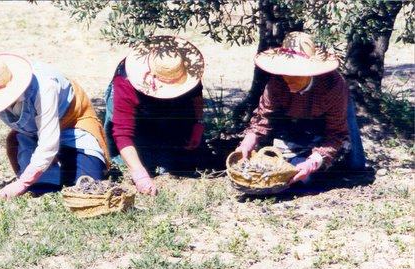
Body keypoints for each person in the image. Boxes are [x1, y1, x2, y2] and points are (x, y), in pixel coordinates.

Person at [0, 53, 109, 199]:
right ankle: (53, 171)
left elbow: (48, 142)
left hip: (72, 126)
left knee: (88, 186)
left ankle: (71, 158)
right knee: (42, 187)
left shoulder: (44, 87)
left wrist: (22, 183)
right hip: (31, 135)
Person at [236, 32, 366, 186]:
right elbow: (263, 119)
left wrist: (312, 163)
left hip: (327, 116)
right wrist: (246, 145)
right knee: (291, 169)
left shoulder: (334, 86)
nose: (288, 79)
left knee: (354, 165)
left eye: (296, 74)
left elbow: (335, 133)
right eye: (286, 73)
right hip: (294, 117)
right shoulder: (277, 84)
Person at [104, 35, 220, 195]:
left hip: (168, 109)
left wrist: (198, 125)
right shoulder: (125, 82)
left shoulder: (184, 70)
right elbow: (122, 133)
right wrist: (140, 176)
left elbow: (196, 96)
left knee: (176, 163)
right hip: (135, 104)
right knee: (135, 163)